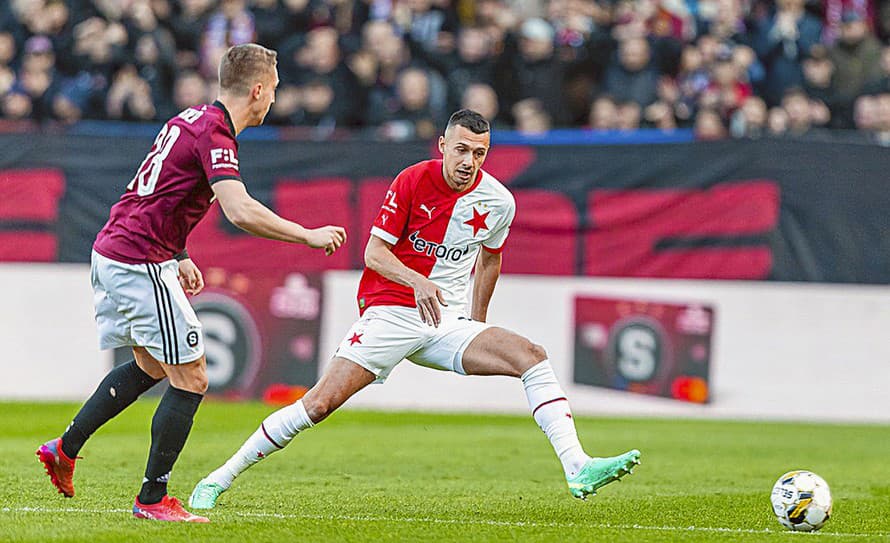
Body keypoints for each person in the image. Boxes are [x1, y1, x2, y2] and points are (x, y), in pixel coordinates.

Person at [188, 109, 640, 510]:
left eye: (480, 154)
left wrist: (475, 322)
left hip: (446, 323)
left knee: (532, 356)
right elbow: (374, 254)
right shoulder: (411, 180)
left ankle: (577, 465)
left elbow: (491, 257)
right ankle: (216, 479)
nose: (469, 162)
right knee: (319, 404)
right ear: (443, 146)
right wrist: (418, 281)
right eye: (461, 150)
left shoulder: (500, 201)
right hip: (391, 311)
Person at [35, 43, 347, 523]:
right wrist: (306, 234)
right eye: (274, 91)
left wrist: (179, 251)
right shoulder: (217, 134)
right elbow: (239, 210)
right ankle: (153, 500)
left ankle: (65, 448)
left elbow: (157, 191)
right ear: (258, 90)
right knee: (193, 375)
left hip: (120, 250)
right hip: (136, 259)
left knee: (153, 366)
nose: (274, 101)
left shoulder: (191, 118)